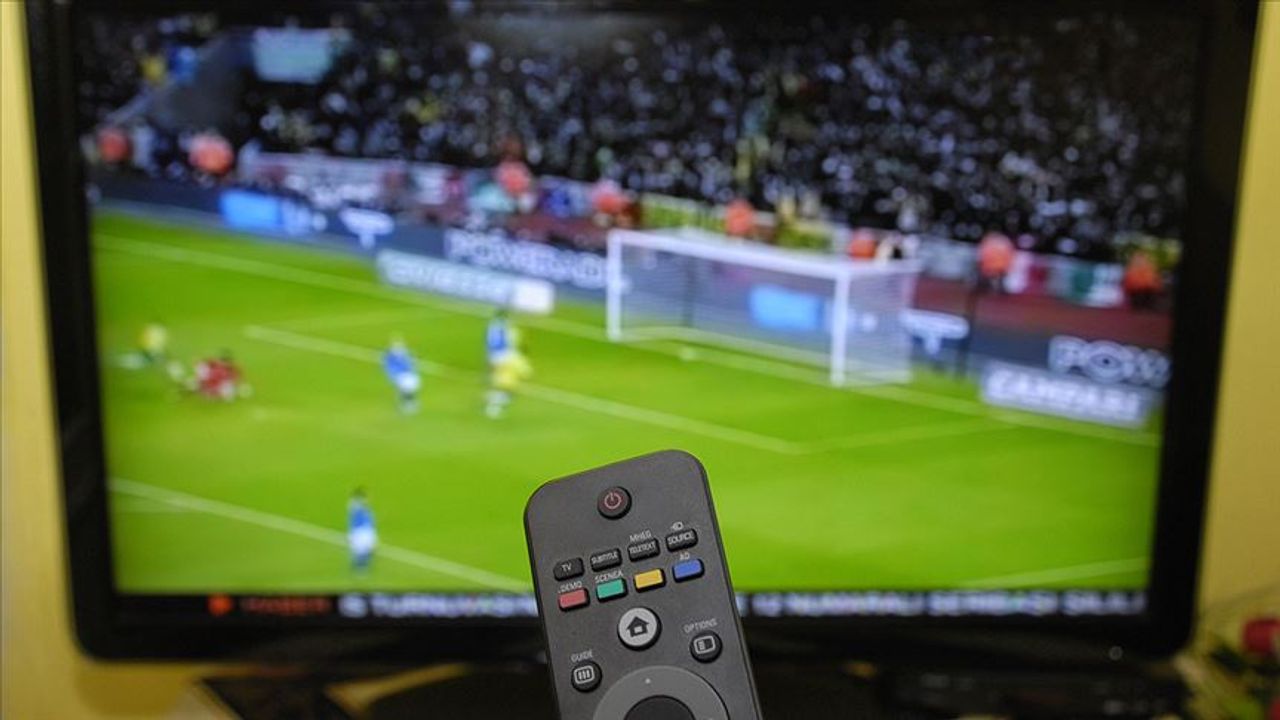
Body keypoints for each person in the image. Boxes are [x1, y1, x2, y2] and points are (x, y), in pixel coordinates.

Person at [486, 344, 533, 420]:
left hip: (498, 380)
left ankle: (492, 407)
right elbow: (525, 372)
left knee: (500, 395)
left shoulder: (506, 355)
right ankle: (492, 410)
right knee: (505, 397)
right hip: (509, 383)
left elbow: (493, 364)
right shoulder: (520, 360)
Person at [382, 337, 421, 414]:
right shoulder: (405, 357)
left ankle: (407, 404)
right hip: (407, 376)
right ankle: (408, 404)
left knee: (403, 391)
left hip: (403, 377)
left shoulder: (393, 359)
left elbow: (389, 365)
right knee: (405, 391)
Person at [347, 488, 377, 572]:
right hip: (360, 530)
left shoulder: (357, 505)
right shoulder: (354, 505)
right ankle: (360, 566)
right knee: (361, 549)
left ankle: (361, 565)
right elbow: (355, 515)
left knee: (368, 548)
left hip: (365, 529)